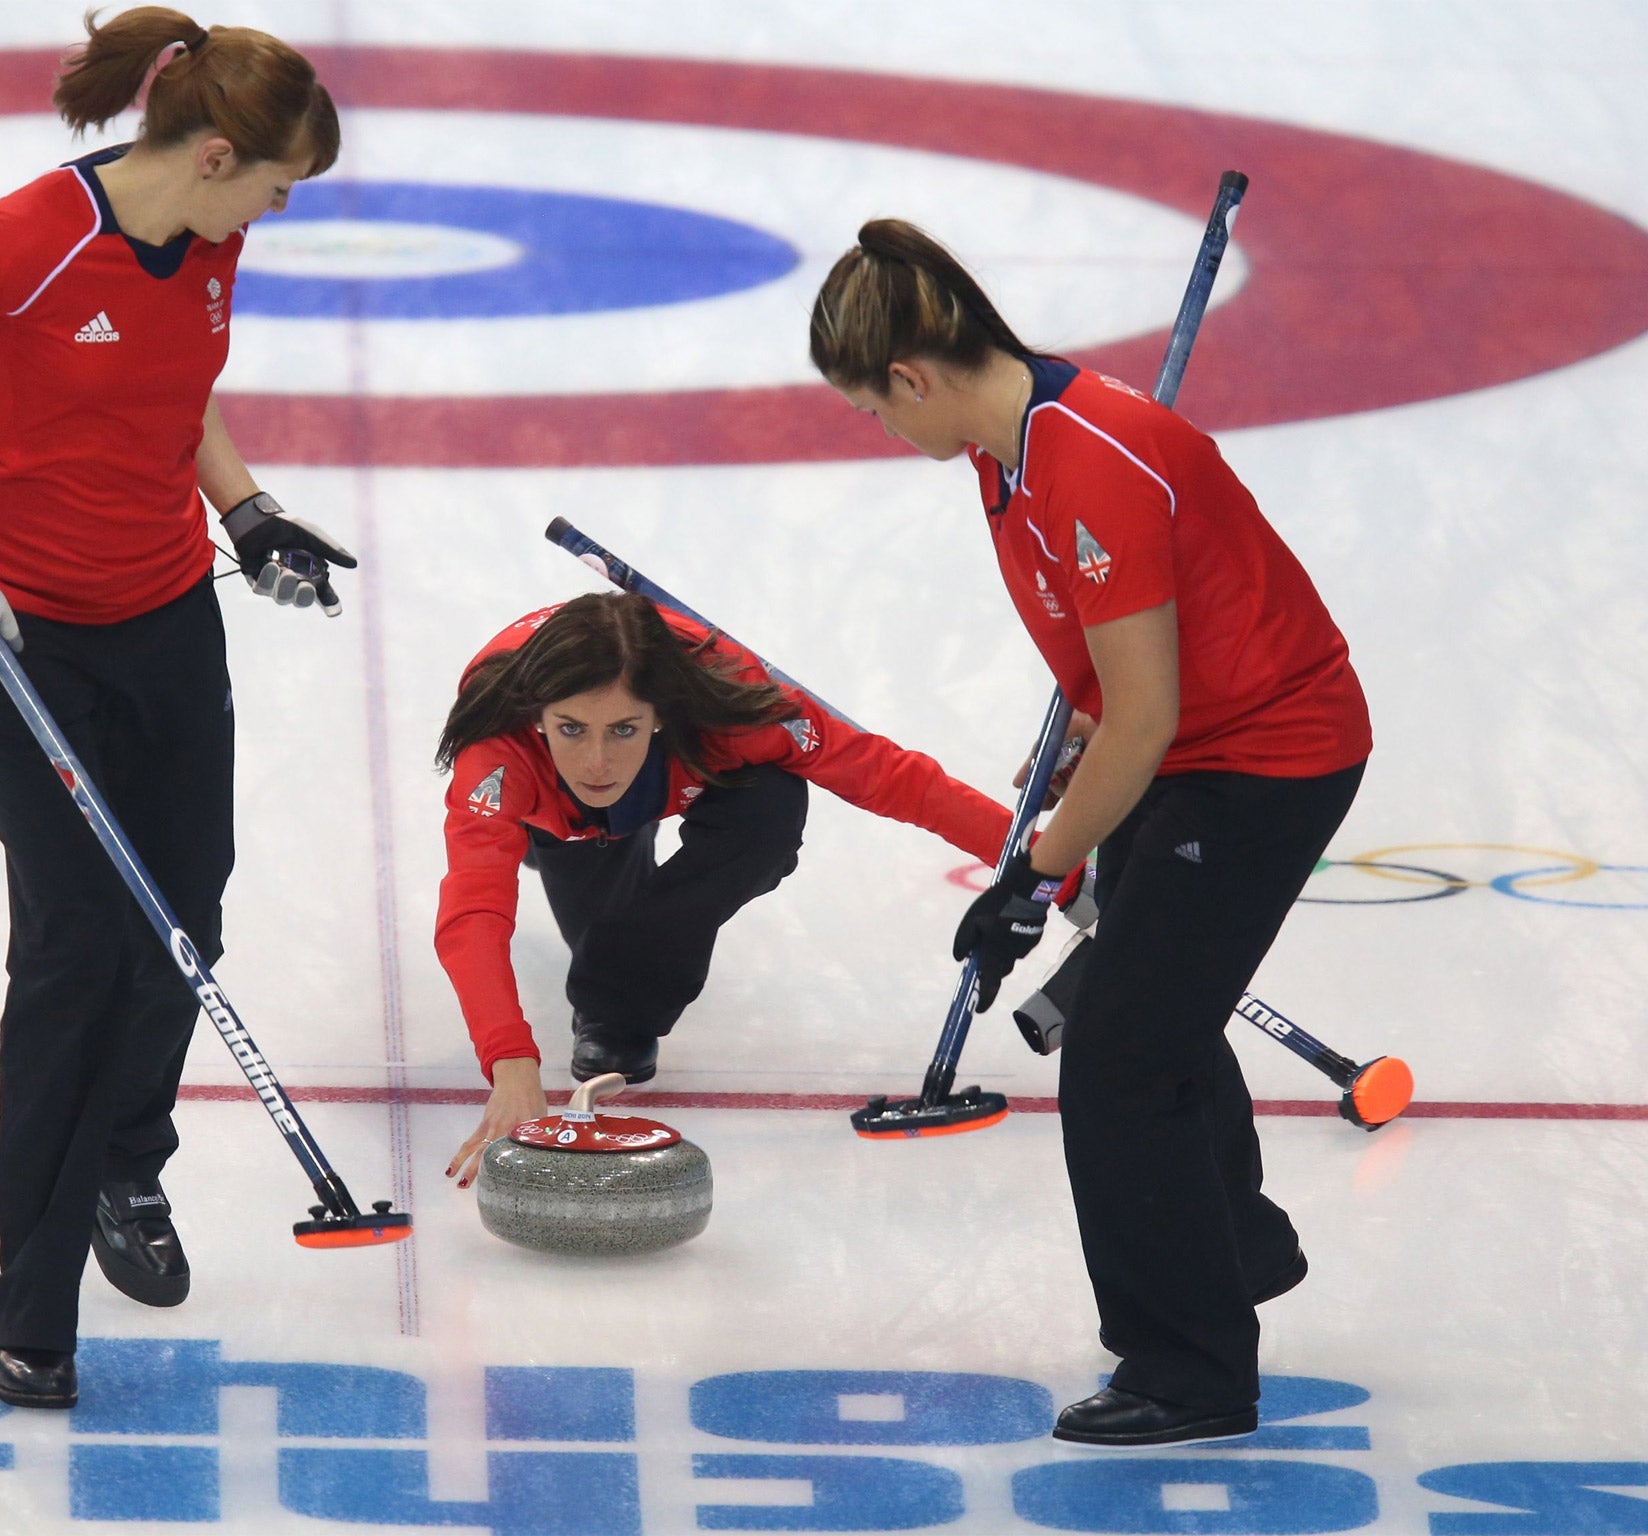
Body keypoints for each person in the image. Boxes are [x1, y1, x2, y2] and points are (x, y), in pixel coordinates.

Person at [0, 7, 353, 1410]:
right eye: (277, 188)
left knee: (186, 916)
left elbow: (177, 393)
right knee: (76, 953)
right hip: (24, 642)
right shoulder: (29, 239)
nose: (275, 216)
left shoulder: (209, 241)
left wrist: (250, 511)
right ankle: (30, 1298)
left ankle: (122, 1165)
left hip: (168, 621)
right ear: (219, 155)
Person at [809, 220, 1372, 1447]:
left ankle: (1190, 1371)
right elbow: (1124, 671)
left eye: (867, 412)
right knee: (1150, 1005)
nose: (881, 435)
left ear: (910, 375)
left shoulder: (1089, 461)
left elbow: (1151, 715)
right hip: (1185, 745)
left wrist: (1031, 871)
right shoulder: (1004, 446)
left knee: (1117, 1052)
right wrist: (1078, 746)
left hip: (1260, 759)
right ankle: (1238, 1250)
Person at [435, 591, 1029, 1188]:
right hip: (552, 809)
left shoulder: (737, 707)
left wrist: (1047, 866)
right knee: (588, 880)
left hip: (690, 769)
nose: (596, 760)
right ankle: (570, 841)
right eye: (571, 728)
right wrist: (510, 1063)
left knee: (770, 804)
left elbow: (895, 780)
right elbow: (473, 911)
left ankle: (618, 1010)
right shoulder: (497, 747)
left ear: (661, 712)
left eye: (623, 729)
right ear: (539, 715)